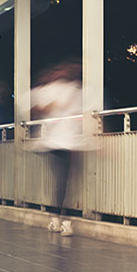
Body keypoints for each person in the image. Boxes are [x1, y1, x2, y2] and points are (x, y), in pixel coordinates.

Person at [30, 61, 88, 237]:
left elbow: (80, 116)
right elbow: (34, 109)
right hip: (56, 142)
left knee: (66, 182)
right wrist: (49, 107)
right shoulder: (49, 90)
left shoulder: (76, 90)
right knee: (63, 181)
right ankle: (61, 219)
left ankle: (57, 217)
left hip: (70, 142)